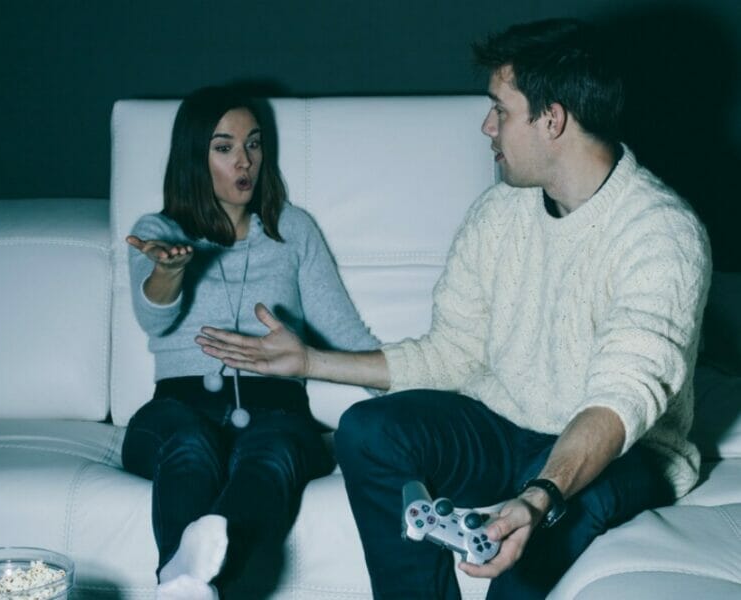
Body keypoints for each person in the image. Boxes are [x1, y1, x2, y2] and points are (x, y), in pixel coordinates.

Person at [195, 19, 712, 599]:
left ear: (553, 119)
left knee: (526, 557)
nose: (486, 126)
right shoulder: (499, 213)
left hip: (618, 450)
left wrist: (538, 496)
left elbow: (621, 398)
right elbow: (451, 354)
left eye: (500, 110)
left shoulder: (662, 232)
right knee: (367, 430)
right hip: (504, 423)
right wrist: (313, 361)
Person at [120, 84, 379, 600]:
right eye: (224, 148)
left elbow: (347, 336)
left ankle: (184, 584)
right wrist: (168, 271)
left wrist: (425, 390)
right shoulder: (159, 232)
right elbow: (154, 317)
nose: (245, 161)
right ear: (196, 157)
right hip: (177, 409)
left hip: (276, 412)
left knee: (272, 453)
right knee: (190, 446)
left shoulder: (293, 231)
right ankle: (187, 578)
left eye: (253, 145)